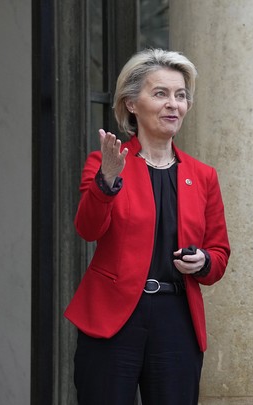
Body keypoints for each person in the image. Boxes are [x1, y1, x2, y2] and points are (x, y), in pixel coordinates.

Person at [64, 48, 231, 405]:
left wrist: (203, 261)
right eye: (160, 94)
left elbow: (219, 254)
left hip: (176, 319)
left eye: (180, 95)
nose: (173, 104)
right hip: (113, 317)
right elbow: (88, 229)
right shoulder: (104, 162)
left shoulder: (203, 176)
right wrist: (108, 180)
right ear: (131, 104)